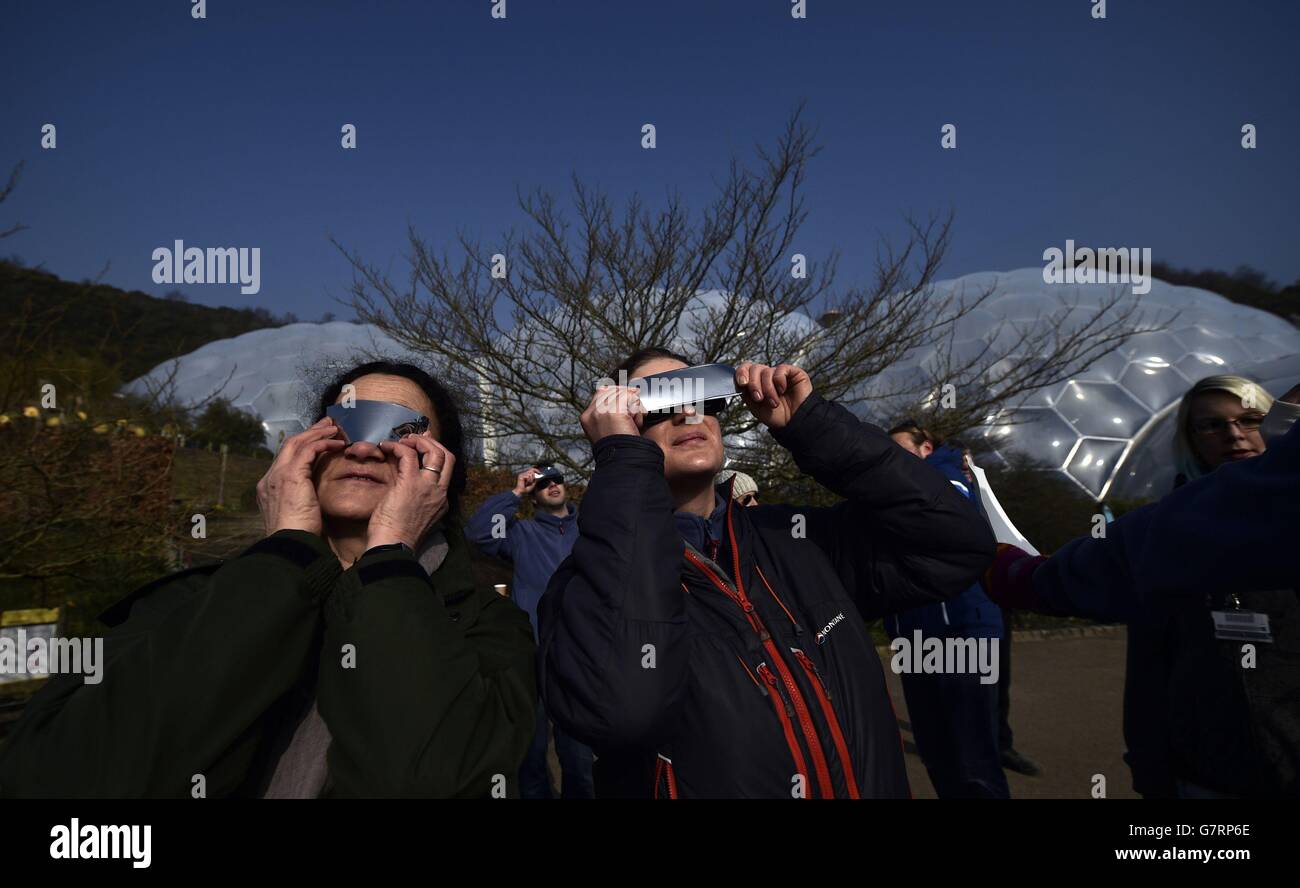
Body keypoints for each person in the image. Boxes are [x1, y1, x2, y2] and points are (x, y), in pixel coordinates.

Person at [0, 360, 536, 798]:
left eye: (404, 432)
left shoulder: (486, 627)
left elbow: (435, 778)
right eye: (348, 423)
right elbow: (65, 776)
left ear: (442, 474)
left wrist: (391, 555)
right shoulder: (192, 601)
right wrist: (285, 559)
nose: (366, 447)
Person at [538, 347, 996, 798]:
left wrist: (814, 426)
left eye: (700, 395)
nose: (687, 414)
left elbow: (957, 545)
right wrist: (620, 463)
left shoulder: (799, 542)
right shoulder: (582, 589)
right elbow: (622, 709)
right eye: (655, 403)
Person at [985, 375, 1300, 798]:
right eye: (1211, 425)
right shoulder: (1166, 536)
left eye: (1251, 419)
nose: (1234, 435)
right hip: (1200, 779)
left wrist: (1025, 578)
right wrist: (1152, 771)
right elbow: (1149, 675)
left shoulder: (1231, 525)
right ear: (1189, 439)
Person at [884, 429, 1010, 798]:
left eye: (899, 449)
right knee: (937, 753)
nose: (892, 457)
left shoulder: (950, 479)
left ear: (926, 448)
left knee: (974, 759)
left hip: (962, 631)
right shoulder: (896, 487)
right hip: (915, 636)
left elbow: (938, 526)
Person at [466, 462, 594, 799]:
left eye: (557, 480)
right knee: (531, 757)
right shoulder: (521, 535)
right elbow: (478, 532)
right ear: (534, 497)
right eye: (542, 484)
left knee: (580, 761)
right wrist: (515, 492)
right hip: (533, 656)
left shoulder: (589, 529)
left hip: (580, 658)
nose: (552, 485)